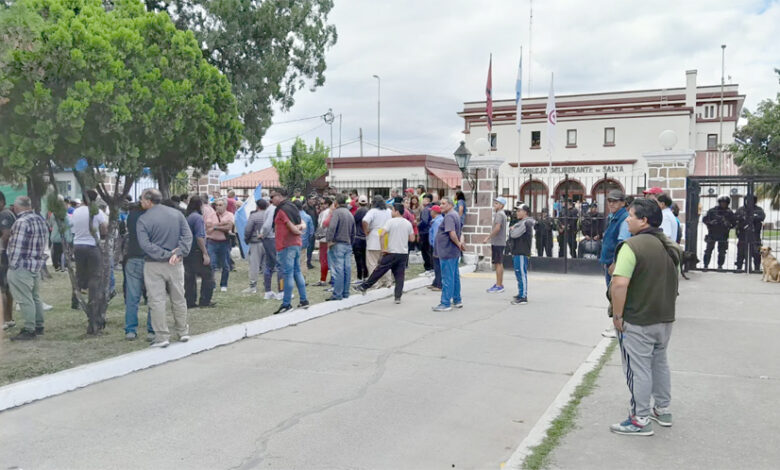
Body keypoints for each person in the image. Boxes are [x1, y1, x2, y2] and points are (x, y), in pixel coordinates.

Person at [608, 198, 681, 436]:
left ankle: (640, 418)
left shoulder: (632, 246)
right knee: (659, 363)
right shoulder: (667, 245)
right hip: (664, 317)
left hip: (639, 318)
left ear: (644, 220)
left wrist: (617, 315)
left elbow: (619, 284)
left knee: (638, 368)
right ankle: (662, 408)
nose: (627, 219)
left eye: (631, 215)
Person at [136, 189, 193, 348]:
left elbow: (145, 244)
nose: (140, 202)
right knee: (179, 297)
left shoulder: (143, 220)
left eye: (142, 199)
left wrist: (164, 254)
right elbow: (188, 236)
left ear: (148, 201)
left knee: (157, 301)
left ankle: (162, 336)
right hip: (176, 262)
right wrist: (179, 252)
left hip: (154, 264)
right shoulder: (177, 214)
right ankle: (183, 332)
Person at [4, 196, 48, 340]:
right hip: (35, 264)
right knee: (35, 297)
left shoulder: (21, 222)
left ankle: (30, 329)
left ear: (17, 207)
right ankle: (39, 325)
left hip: (21, 266)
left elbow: (16, 247)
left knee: (24, 298)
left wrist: (12, 265)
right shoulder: (39, 219)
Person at [355, 203, 415, 303]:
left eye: (392, 210)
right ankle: (397, 297)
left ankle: (364, 286)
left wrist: (383, 248)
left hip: (391, 252)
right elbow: (412, 238)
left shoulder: (390, 222)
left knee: (379, 270)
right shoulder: (407, 223)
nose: (391, 212)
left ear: (396, 211)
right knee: (400, 276)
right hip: (403, 253)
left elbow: (381, 234)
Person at [70, 190, 108, 332]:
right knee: (95, 276)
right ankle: (93, 302)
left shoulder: (76, 211)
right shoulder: (96, 211)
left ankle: (75, 299)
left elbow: (72, 228)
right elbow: (104, 227)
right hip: (92, 245)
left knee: (80, 274)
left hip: (78, 245)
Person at [272, 188, 309, 314]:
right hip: (296, 244)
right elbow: (303, 223)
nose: (271, 199)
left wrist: (296, 230)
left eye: (273, 196)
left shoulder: (282, 210)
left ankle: (286, 304)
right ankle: (304, 300)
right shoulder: (292, 206)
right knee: (297, 271)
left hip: (286, 245)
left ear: (280, 196)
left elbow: (290, 226)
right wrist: (299, 229)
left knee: (288, 274)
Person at [123, 201, 155, 340]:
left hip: (132, 258)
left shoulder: (131, 217)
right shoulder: (152, 217)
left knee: (132, 297)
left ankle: (130, 330)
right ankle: (151, 330)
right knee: (153, 297)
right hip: (149, 259)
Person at [432, 197, 465, 311]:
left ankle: (445, 303)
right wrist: (460, 243)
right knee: (454, 276)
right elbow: (461, 232)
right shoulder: (455, 214)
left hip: (447, 251)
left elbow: (452, 233)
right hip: (453, 252)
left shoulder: (449, 216)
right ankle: (457, 300)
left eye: (443, 203)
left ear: (450, 205)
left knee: (447, 278)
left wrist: (458, 244)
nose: (440, 206)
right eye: (440, 203)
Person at [184, 196, 215, 308]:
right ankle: (205, 300)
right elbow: (199, 237)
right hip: (197, 250)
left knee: (190, 278)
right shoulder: (197, 218)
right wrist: (205, 253)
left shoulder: (188, 216)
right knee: (208, 276)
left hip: (188, 251)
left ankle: (190, 301)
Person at [325, 194, 356, 301]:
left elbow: (332, 227)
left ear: (336, 203)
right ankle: (346, 292)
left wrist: (329, 240)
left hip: (338, 244)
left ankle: (337, 294)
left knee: (338, 270)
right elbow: (353, 231)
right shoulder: (349, 214)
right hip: (347, 244)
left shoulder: (337, 213)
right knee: (347, 269)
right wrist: (351, 242)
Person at [362, 196, 393, 289]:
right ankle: (387, 281)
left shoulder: (372, 211)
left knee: (372, 262)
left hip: (374, 236)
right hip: (386, 236)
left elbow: (365, 221)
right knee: (385, 262)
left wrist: (366, 231)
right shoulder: (388, 211)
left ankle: (375, 282)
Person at [205, 198, 234, 292]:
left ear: (225, 206)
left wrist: (215, 226)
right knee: (211, 264)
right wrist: (222, 224)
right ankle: (212, 284)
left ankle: (224, 284)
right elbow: (207, 227)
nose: (218, 207)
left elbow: (229, 227)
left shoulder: (230, 215)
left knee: (225, 265)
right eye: (217, 205)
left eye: (220, 205)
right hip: (212, 241)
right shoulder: (211, 215)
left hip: (224, 242)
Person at [508, 204, 534, 305]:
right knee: (518, 273)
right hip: (517, 251)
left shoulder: (526, 222)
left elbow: (514, 234)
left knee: (522, 273)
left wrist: (512, 229)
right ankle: (520, 293)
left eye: (519, 211)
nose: (517, 213)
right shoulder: (521, 222)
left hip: (522, 251)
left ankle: (523, 296)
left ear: (525, 212)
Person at [242, 198, 269, 294]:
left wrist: (246, 239)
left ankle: (253, 286)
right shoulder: (269, 215)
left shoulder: (254, 216)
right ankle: (267, 285)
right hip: (268, 242)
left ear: (257, 206)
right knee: (266, 265)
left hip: (255, 242)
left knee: (254, 265)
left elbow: (248, 229)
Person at [702, 195, 736, 270]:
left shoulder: (729, 212)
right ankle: (705, 265)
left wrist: (727, 224)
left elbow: (734, 223)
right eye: (722, 202)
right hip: (712, 233)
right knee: (708, 250)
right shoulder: (712, 211)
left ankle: (720, 266)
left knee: (722, 251)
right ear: (719, 202)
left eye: (725, 203)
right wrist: (710, 222)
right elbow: (704, 219)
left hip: (723, 234)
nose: (723, 204)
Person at [260, 191, 282, 299]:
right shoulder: (273, 209)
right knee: (279, 265)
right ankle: (281, 291)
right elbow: (268, 225)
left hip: (268, 238)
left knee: (269, 265)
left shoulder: (269, 209)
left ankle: (268, 291)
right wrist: (263, 234)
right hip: (272, 238)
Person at [483, 197, 508, 293]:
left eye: (497, 203)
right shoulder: (502, 214)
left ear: (501, 205)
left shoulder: (499, 214)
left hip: (497, 242)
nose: (494, 205)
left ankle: (498, 285)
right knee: (499, 263)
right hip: (500, 242)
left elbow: (497, 228)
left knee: (498, 264)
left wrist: (488, 237)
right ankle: (499, 283)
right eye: (494, 203)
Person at [735, 194, 765, 272]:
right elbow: (735, 218)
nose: (749, 202)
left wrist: (753, 217)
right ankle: (739, 267)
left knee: (756, 252)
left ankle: (757, 268)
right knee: (741, 252)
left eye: (752, 200)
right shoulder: (740, 209)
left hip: (755, 235)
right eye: (748, 200)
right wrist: (743, 218)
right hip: (743, 234)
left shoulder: (758, 209)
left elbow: (762, 217)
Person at [1, 191, 17, 331]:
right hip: (6, 255)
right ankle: (8, 318)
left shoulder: (4, 214)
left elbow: (6, 235)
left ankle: (5, 320)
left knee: (3, 289)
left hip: (2, 255)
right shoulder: (8, 213)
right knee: (6, 289)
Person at [314, 196, 332, 287]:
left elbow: (322, 226)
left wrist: (317, 235)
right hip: (327, 238)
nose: (320, 205)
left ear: (327, 204)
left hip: (324, 238)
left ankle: (323, 279)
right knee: (328, 259)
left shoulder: (325, 213)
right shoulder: (329, 212)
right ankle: (327, 279)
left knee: (323, 259)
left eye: (322, 203)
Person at [353, 195, 369, 281]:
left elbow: (353, 221)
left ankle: (359, 277)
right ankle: (365, 276)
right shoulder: (369, 211)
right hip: (366, 238)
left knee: (358, 259)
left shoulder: (358, 211)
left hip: (358, 238)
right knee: (365, 258)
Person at [427, 205, 444, 291]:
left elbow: (436, 236)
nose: (430, 213)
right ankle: (436, 282)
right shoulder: (437, 220)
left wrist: (435, 246)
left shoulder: (437, 222)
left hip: (437, 246)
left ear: (434, 212)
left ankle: (439, 284)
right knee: (436, 265)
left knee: (437, 265)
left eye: (431, 211)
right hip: (437, 245)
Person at [417, 194, 435, 274]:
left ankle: (428, 267)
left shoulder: (426, 209)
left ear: (427, 200)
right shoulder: (432, 208)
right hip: (430, 231)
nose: (422, 201)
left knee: (425, 251)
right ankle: (432, 267)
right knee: (430, 250)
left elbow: (424, 221)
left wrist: (417, 225)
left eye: (424, 199)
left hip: (424, 232)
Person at [296, 200, 314, 274]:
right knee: (303, 261)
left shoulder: (292, 216)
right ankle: (303, 278)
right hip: (304, 242)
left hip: (293, 242)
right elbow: (311, 232)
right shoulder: (308, 217)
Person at [303, 194, 319, 269]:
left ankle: (309, 262)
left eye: (314, 199)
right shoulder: (305, 208)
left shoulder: (313, 208)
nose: (314, 201)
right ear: (308, 199)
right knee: (308, 247)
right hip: (307, 231)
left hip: (313, 230)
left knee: (311, 247)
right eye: (312, 199)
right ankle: (306, 262)